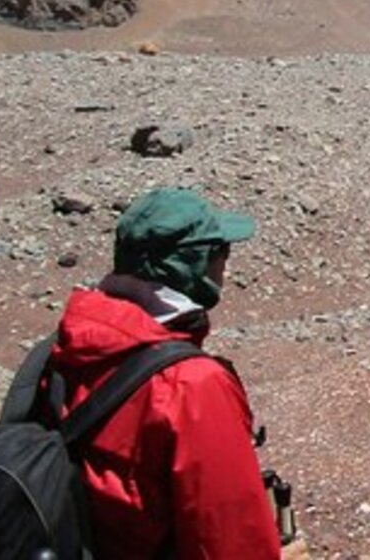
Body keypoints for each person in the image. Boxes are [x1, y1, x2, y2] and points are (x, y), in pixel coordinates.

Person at [44, 187, 305, 559]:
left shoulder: (63, 347)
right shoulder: (190, 385)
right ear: (194, 265)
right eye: (221, 252)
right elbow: (230, 542)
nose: (224, 265)